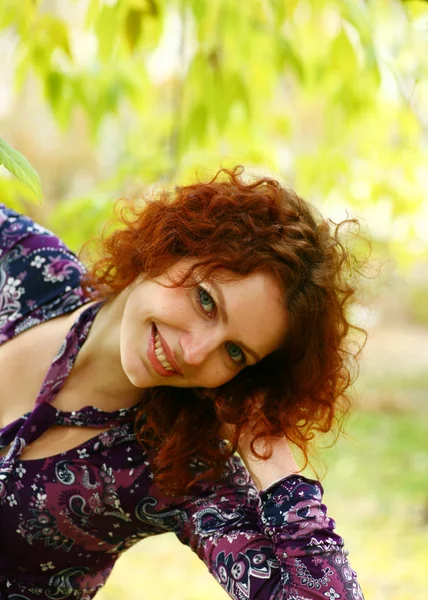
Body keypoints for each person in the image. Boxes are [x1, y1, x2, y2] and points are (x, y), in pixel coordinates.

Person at [0, 166, 365, 599]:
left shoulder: (180, 468)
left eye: (234, 352)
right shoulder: (25, 264)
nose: (194, 353)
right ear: (169, 244)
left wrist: (278, 472)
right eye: (205, 300)